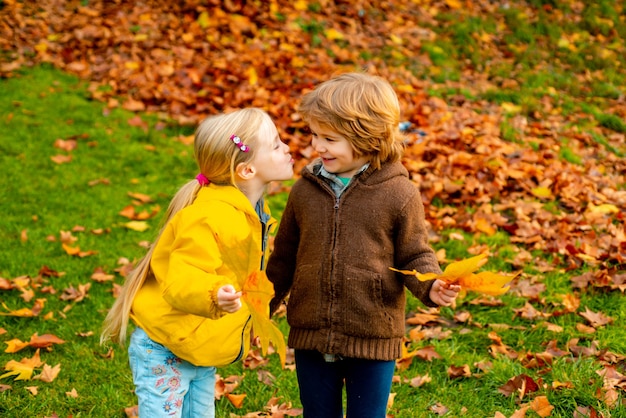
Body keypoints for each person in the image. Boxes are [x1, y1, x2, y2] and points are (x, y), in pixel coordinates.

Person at [266, 72, 461, 418]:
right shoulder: (305, 191)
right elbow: (284, 256)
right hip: (311, 334)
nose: (317, 146)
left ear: (369, 139)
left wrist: (431, 285)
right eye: (314, 134)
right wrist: (262, 303)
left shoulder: (398, 194)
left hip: (372, 335)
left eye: (329, 138)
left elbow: (415, 252)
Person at [100, 108, 294, 418]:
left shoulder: (251, 212)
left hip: (200, 346)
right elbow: (182, 279)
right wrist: (214, 293)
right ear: (246, 170)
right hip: (167, 349)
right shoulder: (209, 216)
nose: (287, 148)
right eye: (275, 144)